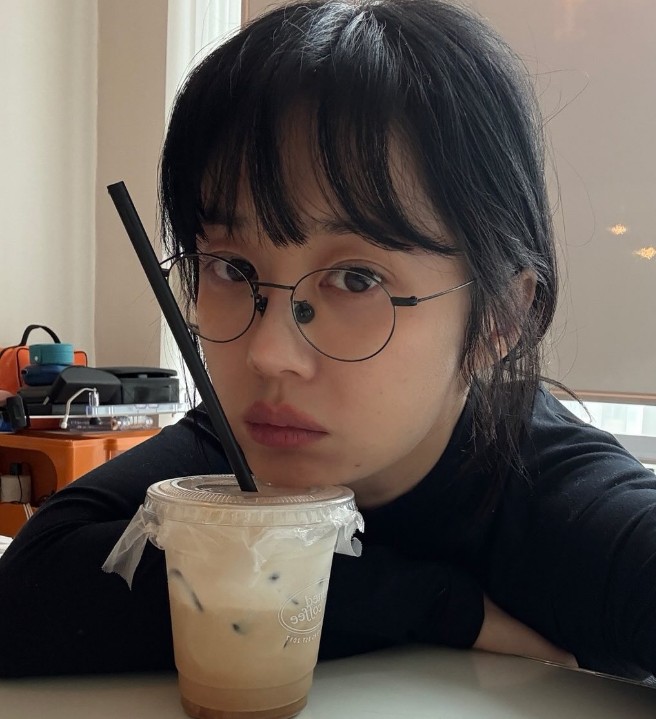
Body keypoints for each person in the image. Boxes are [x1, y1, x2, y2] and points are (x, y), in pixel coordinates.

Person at [1, 0, 655, 682]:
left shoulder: (559, 500)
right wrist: (440, 607)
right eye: (231, 267)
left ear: (499, 318)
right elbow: (28, 591)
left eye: (357, 278)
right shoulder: (238, 442)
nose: (267, 354)